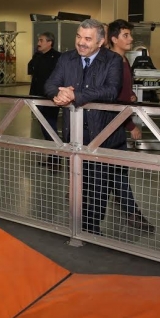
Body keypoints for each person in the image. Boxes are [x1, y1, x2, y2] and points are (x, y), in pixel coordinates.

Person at [44, 18, 126, 236]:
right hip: (75, 135)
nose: (81, 42)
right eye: (79, 36)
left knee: (99, 185)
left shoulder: (113, 60)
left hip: (102, 135)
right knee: (78, 182)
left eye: (88, 39)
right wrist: (58, 94)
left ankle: (92, 228)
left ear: (100, 42)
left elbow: (111, 90)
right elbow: (50, 84)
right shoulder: (66, 59)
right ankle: (78, 225)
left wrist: (75, 95)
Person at [106, 19, 154, 233]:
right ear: (114, 39)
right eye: (126, 35)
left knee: (116, 170)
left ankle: (125, 206)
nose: (131, 39)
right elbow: (114, 99)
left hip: (117, 123)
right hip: (112, 124)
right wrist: (130, 125)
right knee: (117, 171)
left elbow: (122, 91)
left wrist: (131, 95)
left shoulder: (123, 60)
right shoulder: (112, 62)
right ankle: (132, 212)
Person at [28, 32, 62, 168]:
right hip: (37, 96)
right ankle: (52, 157)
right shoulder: (37, 56)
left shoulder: (57, 58)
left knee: (50, 127)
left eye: (41, 40)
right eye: (38, 40)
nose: (38, 43)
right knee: (44, 128)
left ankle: (56, 157)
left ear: (50, 42)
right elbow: (31, 71)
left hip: (50, 99)